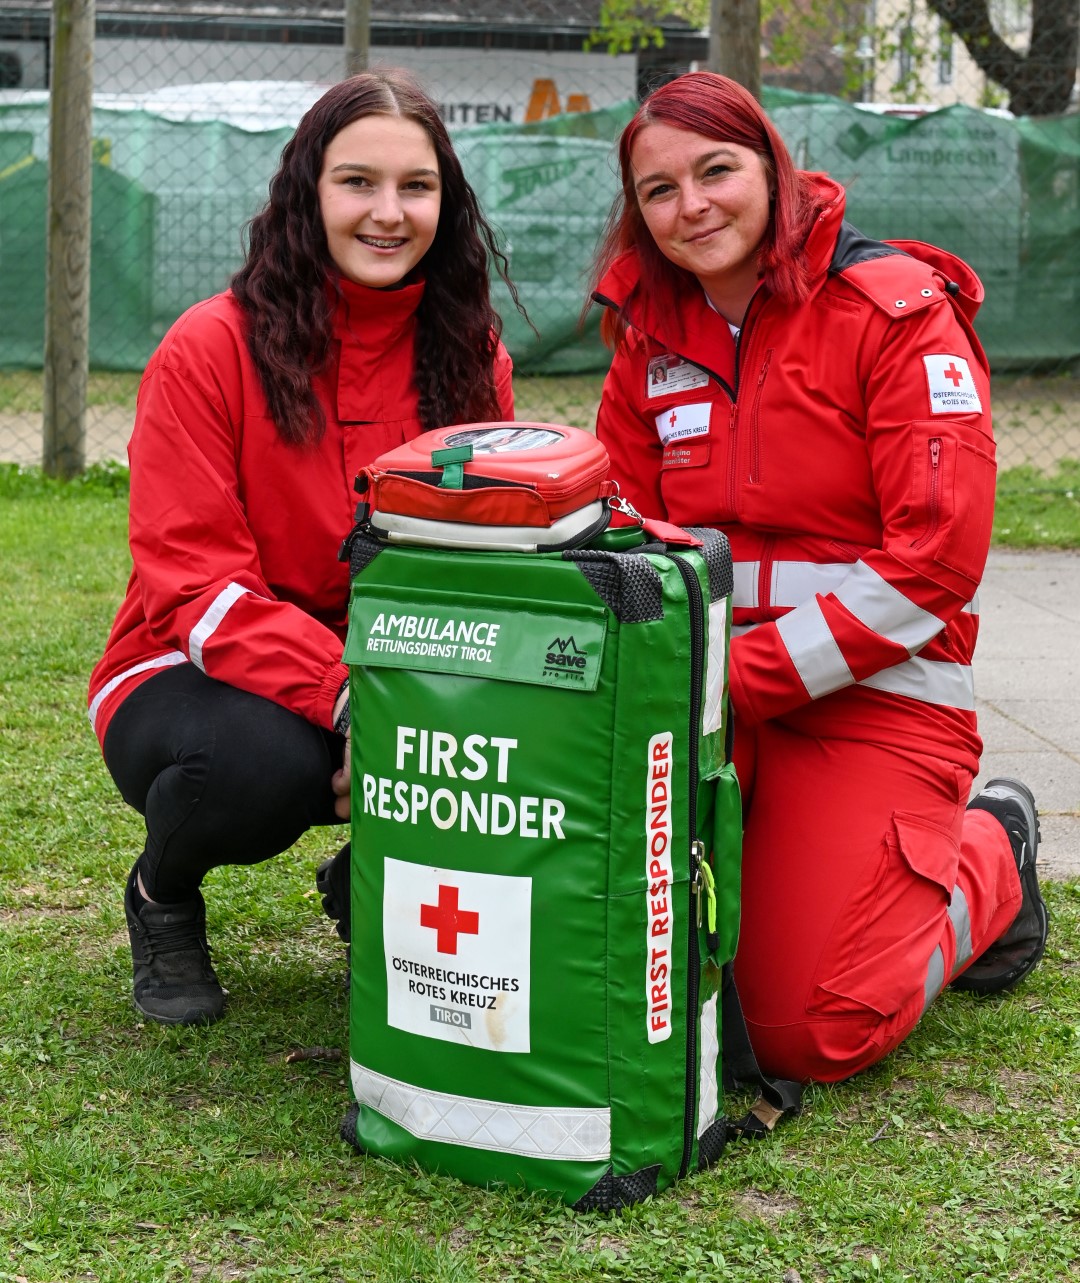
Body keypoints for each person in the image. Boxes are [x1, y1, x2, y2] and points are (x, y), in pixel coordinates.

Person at [589, 71, 1049, 1084]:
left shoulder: (893, 312)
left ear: (774, 170)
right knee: (618, 965)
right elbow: (617, 537)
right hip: (702, 701)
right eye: (659, 191)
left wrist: (733, 678)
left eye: (717, 170)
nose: (691, 205)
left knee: (804, 1028)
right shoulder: (645, 337)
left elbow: (933, 564)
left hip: (875, 696)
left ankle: (993, 854)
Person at [88, 70, 518, 1027]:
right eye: (357, 182)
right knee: (262, 762)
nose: (388, 212)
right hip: (189, 664)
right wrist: (352, 698)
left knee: (525, 726)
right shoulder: (209, 347)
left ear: (445, 204)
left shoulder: (470, 349)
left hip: (390, 662)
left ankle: (374, 883)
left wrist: (421, 701)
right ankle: (161, 894)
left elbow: (480, 568)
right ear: (306, 192)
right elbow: (192, 581)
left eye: (416, 186)